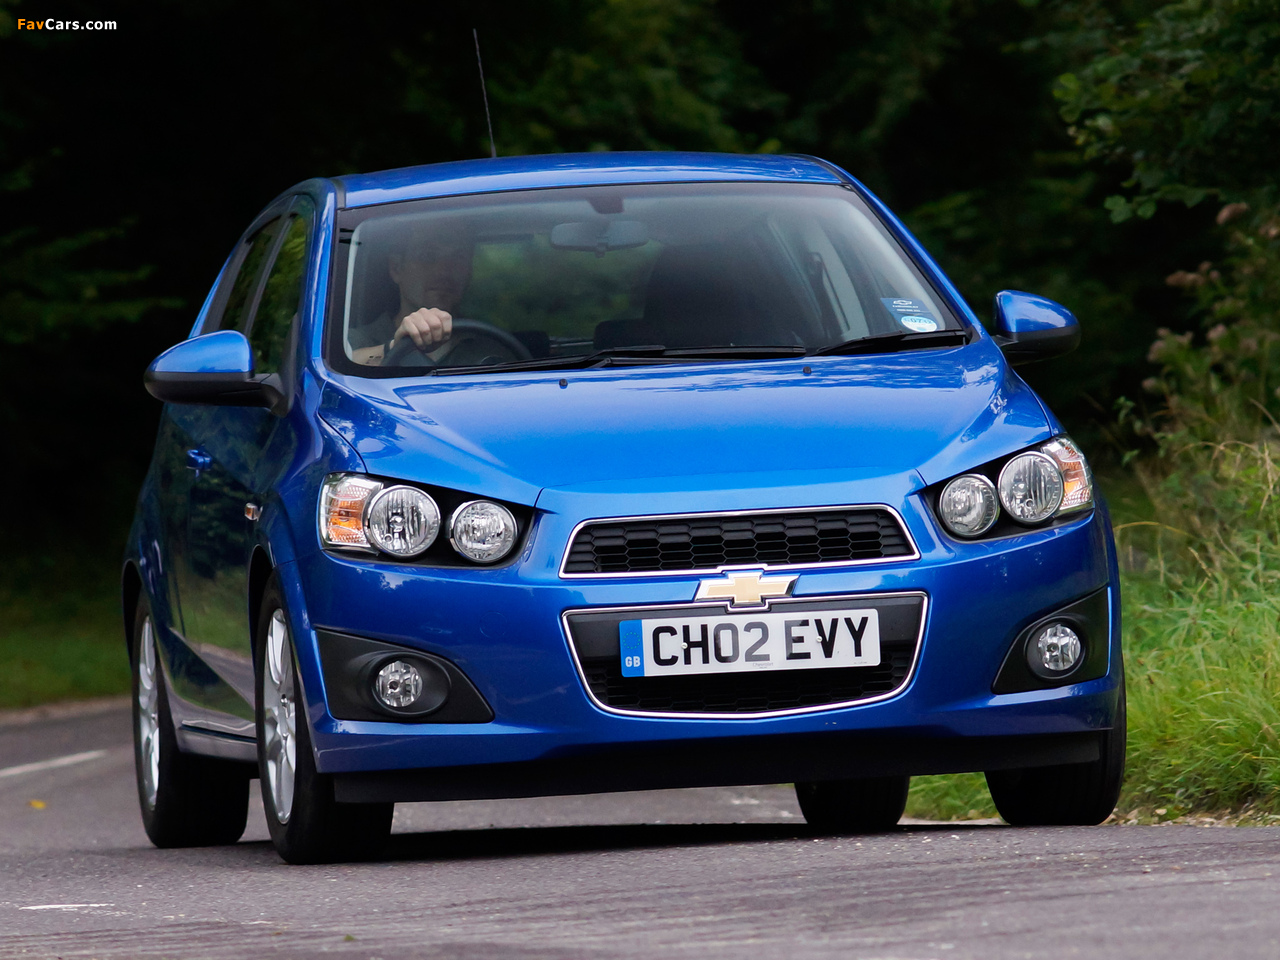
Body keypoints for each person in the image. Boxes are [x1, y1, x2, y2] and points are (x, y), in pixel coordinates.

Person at [350, 220, 474, 365]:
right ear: (396, 268)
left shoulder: (488, 342)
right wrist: (394, 348)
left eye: (458, 258)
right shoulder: (354, 340)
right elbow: (336, 370)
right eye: (427, 256)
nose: (444, 271)